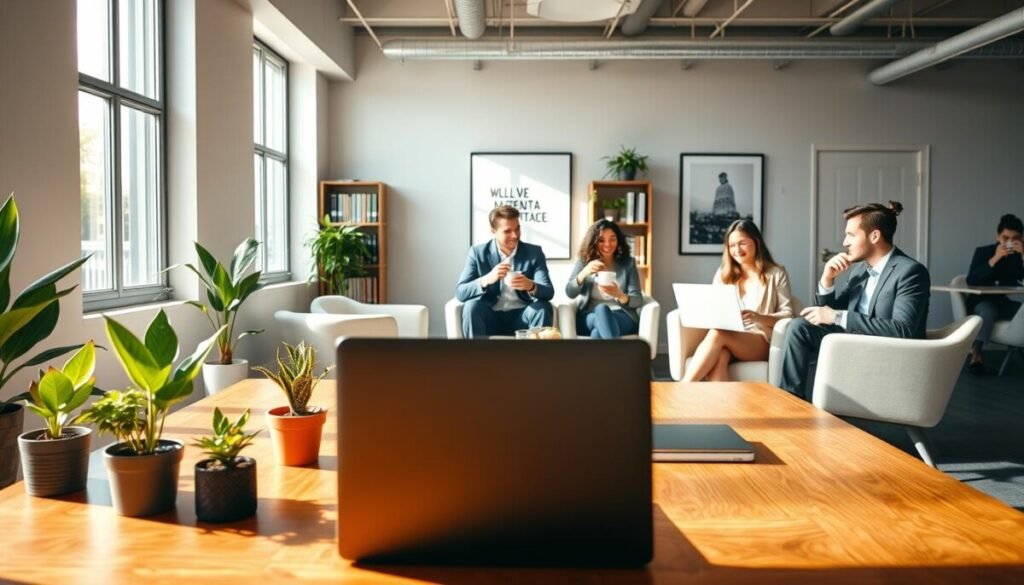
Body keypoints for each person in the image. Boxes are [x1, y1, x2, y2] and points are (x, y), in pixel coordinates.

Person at [778, 201, 930, 400]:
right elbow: (827, 315)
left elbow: (903, 330)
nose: (844, 243)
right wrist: (827, 279)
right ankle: (790, 401)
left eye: (850, 235)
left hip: (888, 353)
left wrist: (837, 316)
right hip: (853, 343)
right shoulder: (859, 270)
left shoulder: (910, 272)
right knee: (799, 327)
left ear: (875, 236)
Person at [681, 219, 796, 382]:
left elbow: (788, 314)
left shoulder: (776, 273)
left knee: (717, 334)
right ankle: (722, 407)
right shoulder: (723, 274)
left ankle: (683, 387)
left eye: (742, 243)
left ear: (756, 242)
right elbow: (713, 308)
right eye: (732, 245)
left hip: (760, 339)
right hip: (729, 337)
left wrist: (758, 317)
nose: (737, 250)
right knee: (720, 355)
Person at [455, 205, 554, 338]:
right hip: (490, 316)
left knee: (543, 307)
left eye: (517, 229)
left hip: (522, 317)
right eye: (507, 231)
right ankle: (476, 358)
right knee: (472, 307)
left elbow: (548, 291)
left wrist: (530, 285)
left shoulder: (534, 253)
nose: (515, 235)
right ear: (493, 231)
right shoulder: (478, 253)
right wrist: (486, 279)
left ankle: (535, 358)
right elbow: (461, 292)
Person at [964, 213, 1024, 374]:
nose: (1010, 242)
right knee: (988, 311)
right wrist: (995, 258)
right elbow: (971, 280)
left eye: (1015, 238)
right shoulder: (984, 252)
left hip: (1002, 302)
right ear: (998, 236)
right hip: (980, 302)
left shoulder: (1019, 257)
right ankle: (976, 355)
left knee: (1021, 311)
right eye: (1005, 238)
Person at [565, 220, 643, 339]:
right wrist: (584, 273)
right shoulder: (583, 261)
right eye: (601, 240)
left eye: (612, 239)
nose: (608, 244)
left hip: (621, 315)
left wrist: (619, 295)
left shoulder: (628, 263)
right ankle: (617, 356)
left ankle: (602, 357)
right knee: (601, 311)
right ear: (594, 241)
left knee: (597, 332)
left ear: (618, 240)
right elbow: (570, 292)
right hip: (589, 315)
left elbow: (638, 300)